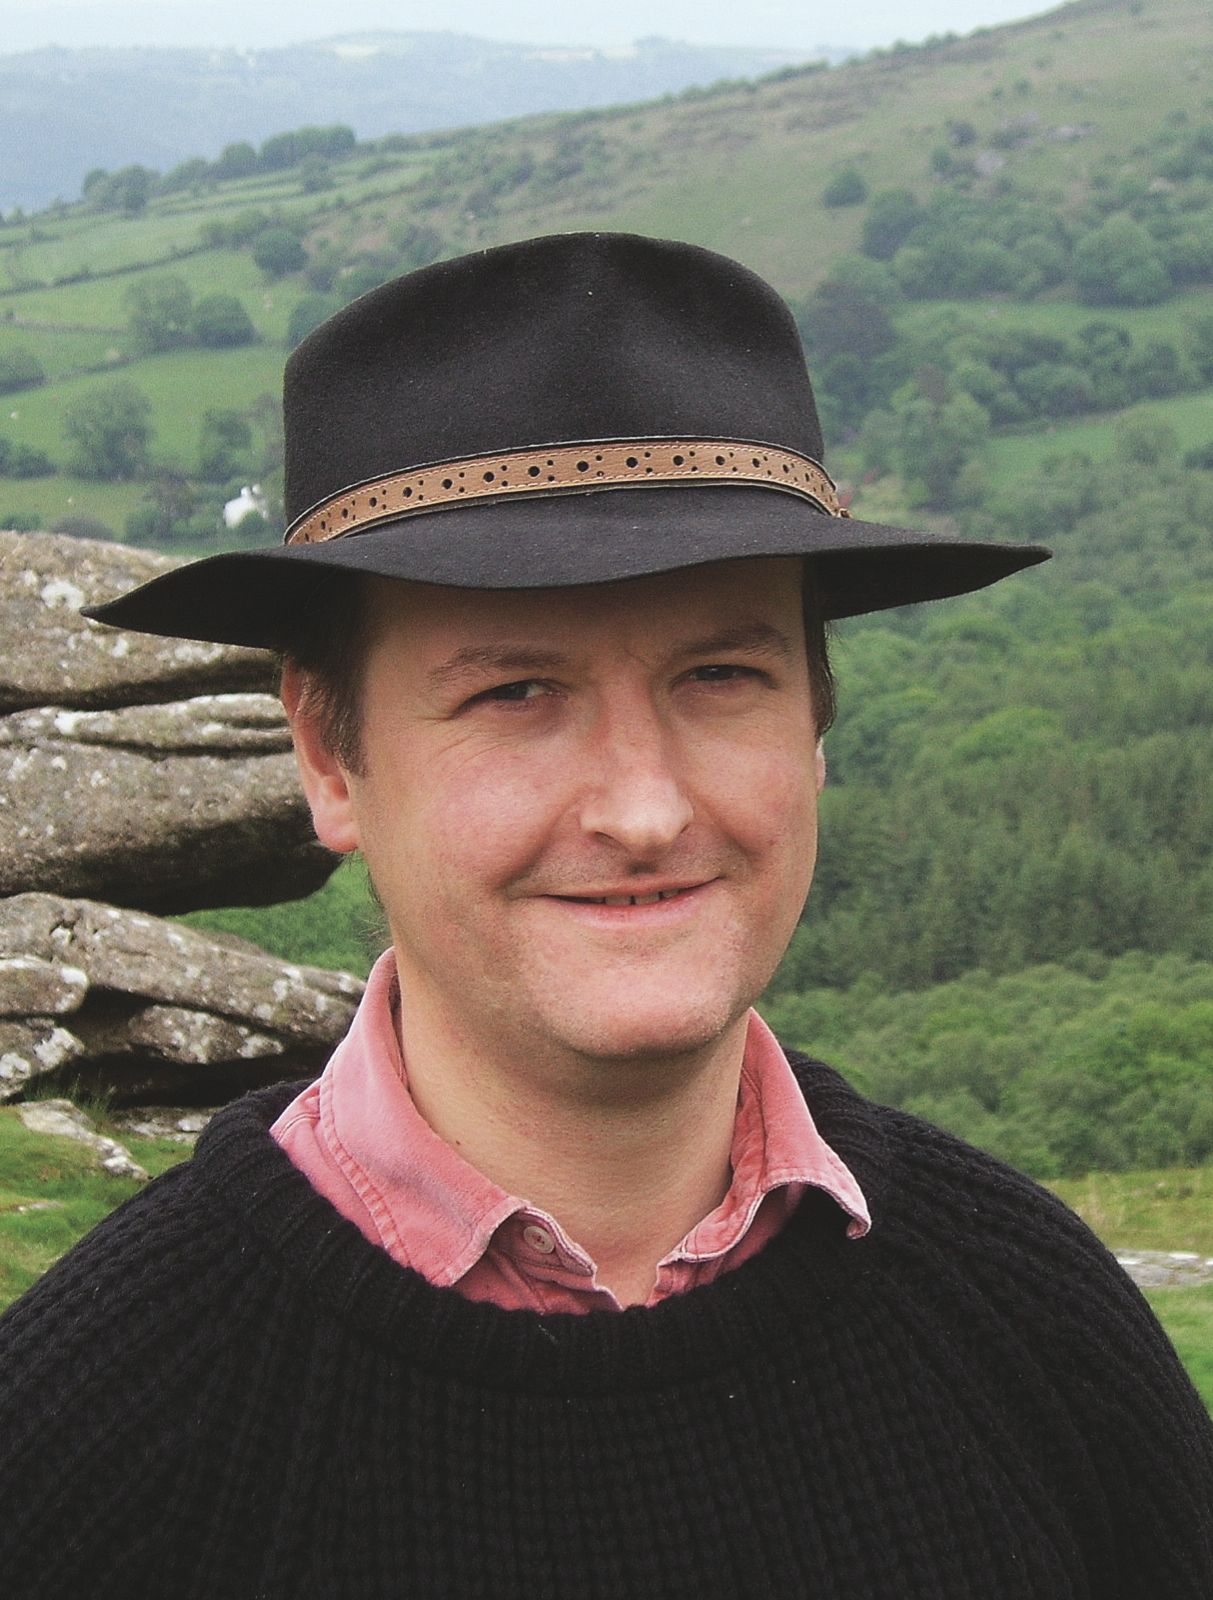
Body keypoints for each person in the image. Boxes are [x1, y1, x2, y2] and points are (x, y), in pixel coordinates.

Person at [2, 232, 1210, 1598]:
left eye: (721, 675)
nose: (642, 809)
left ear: (815, 725)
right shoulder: (85, 1448)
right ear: (331, 760)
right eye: (515, 692)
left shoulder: (1034, 1322)